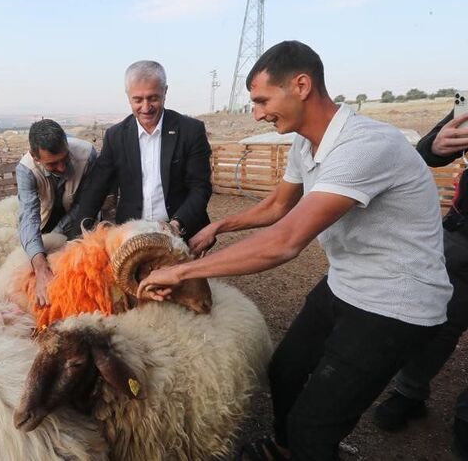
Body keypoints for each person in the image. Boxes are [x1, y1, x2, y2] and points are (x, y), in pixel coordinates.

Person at [136, 41, 452, 460]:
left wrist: (181, 273)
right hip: (347, 283)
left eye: (263, 100)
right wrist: (218, 225)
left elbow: (286, 241)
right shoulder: (306, 144)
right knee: (283, 372)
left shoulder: (363, 146)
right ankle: (287, 450)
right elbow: (278, 206)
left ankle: (304, 445)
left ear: (301, 85)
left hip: (393, 300)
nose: (258, 113)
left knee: (313, 427)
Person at [372, 107, 468, 448]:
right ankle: (409, 392)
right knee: (438, 321)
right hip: (462, 237)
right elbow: (427, 149)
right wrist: (436, 146)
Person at [75, 60, 212, 240]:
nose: (146, 108)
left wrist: (176, 224)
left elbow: (200, 187)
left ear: (165, 92)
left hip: (180, 232)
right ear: (128, 96)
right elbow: (96, 188)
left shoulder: (190, 131)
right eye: (138, 100)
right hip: (131, 235)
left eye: (153, 98)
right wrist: (79, 234)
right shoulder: (115, 136)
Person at [17, 119, 96, 306]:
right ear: (35, 157)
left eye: (64, 158)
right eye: (52, 164)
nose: (61, 168)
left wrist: (58, 236)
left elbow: (86, 203)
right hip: (46, 221)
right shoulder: (26, 169)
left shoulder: (87, 154)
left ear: (67, 144)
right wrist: (40, 266)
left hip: (81, 221)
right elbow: (29, 216)